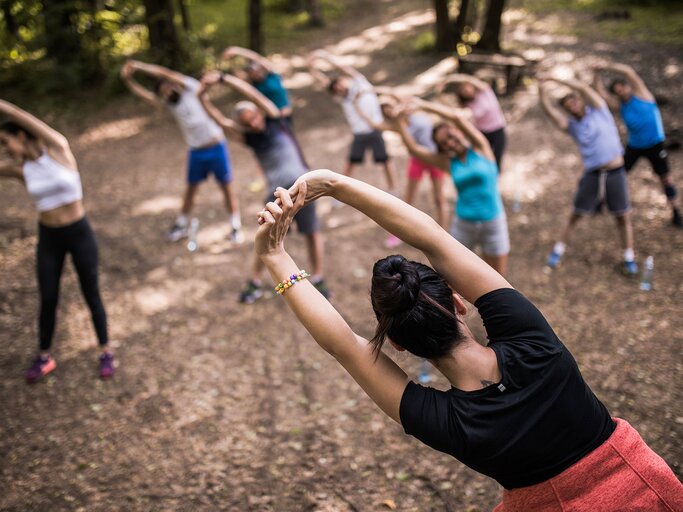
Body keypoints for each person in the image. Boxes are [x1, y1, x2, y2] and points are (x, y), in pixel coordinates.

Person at [254, 169, 683, 512]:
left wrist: (275, 256)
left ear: (400, 346)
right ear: (459, 303)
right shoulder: (533, 343)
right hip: (642, 488)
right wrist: (335, 184)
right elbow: (434, 240)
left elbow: (344, 344)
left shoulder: (448, 423)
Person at [0, 99, 114, 382]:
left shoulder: (59, 151)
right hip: (49, 238)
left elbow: (17, 113)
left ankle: (105, 351)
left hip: (79, 233)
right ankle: (44, 357)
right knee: (48, 297)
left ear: (21, 135)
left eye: (5, 142)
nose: (5, 149)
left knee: (92, 293)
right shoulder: (20, 170)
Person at [198, 71, 329, 303]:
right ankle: (255, 281)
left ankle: (318, 277)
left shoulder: (277, 120)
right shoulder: (250, 138)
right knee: (267, 238)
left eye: (253, 116)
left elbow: (253, 95)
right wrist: (203, 98)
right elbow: (220, 120)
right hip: (276, 193)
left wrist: (223, 79)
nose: (253, 122)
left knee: (311, 232)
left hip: (302, 186)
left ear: (259, 112)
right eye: (247, 122)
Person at [120, 59, 244, 243]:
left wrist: (138, 66)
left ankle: (235, 226)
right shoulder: (170, 105)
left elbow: (164, 72)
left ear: (175, 84)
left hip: (216, 147)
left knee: (226, 188)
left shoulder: (192, 89)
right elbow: (145, 96)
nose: (168, 91)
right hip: (196, 152)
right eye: (164, 91)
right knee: (191, 190)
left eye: (169, 87)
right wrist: (128, 81)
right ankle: (181, 224)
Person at [392, 97, 510, 277]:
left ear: (457, 131)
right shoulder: (448, 163)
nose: (448, 143)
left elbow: (456, 117)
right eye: (443, 143)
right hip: (463, 224)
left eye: (449, 136)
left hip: (493, 222)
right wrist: (398, 120)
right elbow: (414, 149)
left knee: (499, 278)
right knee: (452, 275)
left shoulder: (481, 148)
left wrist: (423, 104)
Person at [539, 76, 638, 274]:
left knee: (622, 215)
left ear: (581, 100)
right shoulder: (572, 126)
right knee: (575, 214)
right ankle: (558, 250)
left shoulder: (600, 110)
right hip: (592, 174)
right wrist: (541, 91)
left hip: (615, 171)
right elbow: (550, 113)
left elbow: (582, 87)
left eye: (574, 101)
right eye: (568, 106)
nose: (573, 106)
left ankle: (629, 257)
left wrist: (554, 79)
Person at [357, 88, 448, 248]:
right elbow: (373, 124)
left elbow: (394, 94)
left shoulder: (413, 112)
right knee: (408, 201)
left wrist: (371, 89)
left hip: (435, 158)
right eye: (385, 111)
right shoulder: (396, 126)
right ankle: (398, 234)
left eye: (390, 107)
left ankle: (445, 236)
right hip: (418, 160)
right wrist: (357, 106)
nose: (389, 112)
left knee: (439, 198)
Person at [593, 63, 682, 228]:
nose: (621, 92)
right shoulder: (620, 106)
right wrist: (596, 74)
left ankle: (676, 211)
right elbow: (601, 94)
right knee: (618, 173)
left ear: (628, 87)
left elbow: (628, 71)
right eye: (618, 91)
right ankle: (601, 201)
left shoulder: (643, 95)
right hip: (634, 147)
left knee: (666, 178)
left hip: (655, 145)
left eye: (622, 88)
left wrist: (606, 66)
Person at [306, 50, 398, 193]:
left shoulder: (360, 82)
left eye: (338, 85)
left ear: (343, 81)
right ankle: (341, 191)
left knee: (385, 160)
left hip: (375, 130)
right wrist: (311, 68)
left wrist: (323, 56)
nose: (339, 88)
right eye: (336, 89)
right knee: (351, 162)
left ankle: (393, 189)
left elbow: (343, 68)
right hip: (359, 133)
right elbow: (322, 81)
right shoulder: (343, 99)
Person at [437, 73, 507, 171]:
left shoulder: (485, 91)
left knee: (497, 160)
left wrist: (450, 79)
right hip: (482, 133)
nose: (466, 90)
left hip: (498, 130)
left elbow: (468, 79)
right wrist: (440, 95)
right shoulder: (467, 105)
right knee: (482, 159)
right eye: (462, 90)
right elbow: (452, 110)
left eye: (466, 87)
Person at [221, 46, 293, 119]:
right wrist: (230, 62)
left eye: (256, 69)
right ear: (249, 74)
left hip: (285, 114)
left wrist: (237, 50)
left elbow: (257, 58)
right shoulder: (253, 86)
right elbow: (237, 78)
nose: (255, 72)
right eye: (251, 71)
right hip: (270, 117)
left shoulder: (272, 75)